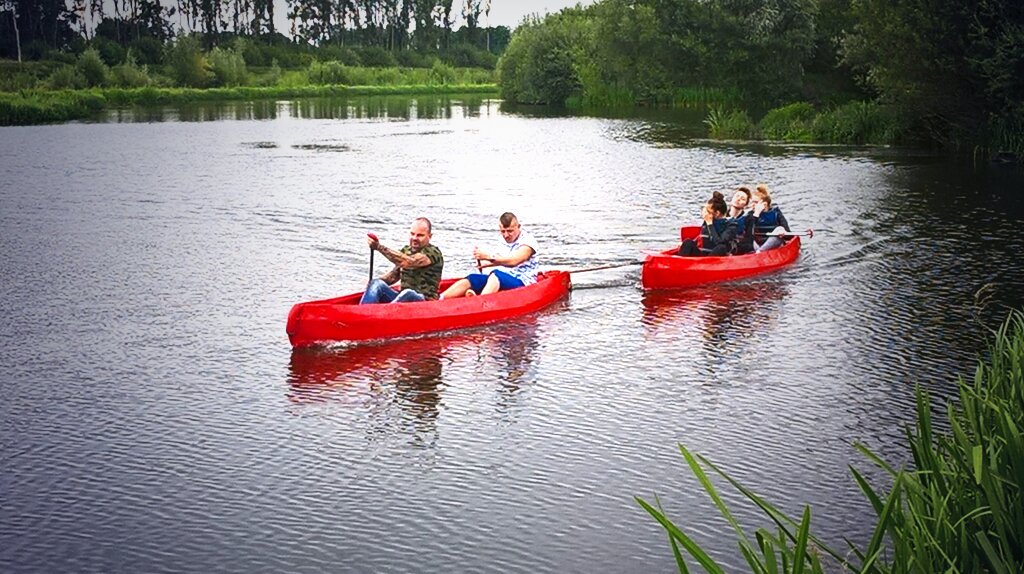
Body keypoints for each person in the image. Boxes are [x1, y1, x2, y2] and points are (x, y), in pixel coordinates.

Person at [440, 212, 538, 299]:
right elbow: (502, 258)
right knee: (473, 278)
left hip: (523, 281)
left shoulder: (528, 241)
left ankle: (479, 302)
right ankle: (440, 299)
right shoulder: (502, 239)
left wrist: (488, 256)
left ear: (519, 227)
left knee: (496, 274)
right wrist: (486, 263)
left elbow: (514, 261)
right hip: (505, 276)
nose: (506, 235)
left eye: (510, 231)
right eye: (503, 231)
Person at [359, 217, 444, 304]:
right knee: (377, 283)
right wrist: (371, 285)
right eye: (412, 234)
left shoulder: (433, 252)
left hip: (424, 302)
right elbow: (392, 277)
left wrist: (378, 247)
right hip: (402, 300)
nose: (414, 238)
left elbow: (408, 262)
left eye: (420, 235)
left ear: (429, 236)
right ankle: (364, 311)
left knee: (408, 293)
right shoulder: (406, 251)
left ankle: (385, 313)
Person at [677, 191, 737, 256]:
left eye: (708, 211)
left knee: (721, 247)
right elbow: (702, 237)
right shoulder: (707, 222)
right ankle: (679, 264)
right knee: (687, 242)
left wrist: (710, 225)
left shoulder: (731, 225)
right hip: (703, 256)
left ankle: (705, 264)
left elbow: (719, 242)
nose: (705, 214)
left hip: (716, 257)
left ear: (717, 213)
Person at [748, 184, 791, 252]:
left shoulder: (776, 213)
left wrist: (783, 233)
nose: (752, 205)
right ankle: (759, 252)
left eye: (755, 202)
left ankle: (760, 252)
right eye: (751, 202)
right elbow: (748, 232)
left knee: (779, 229)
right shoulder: (751, 215)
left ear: (764, 204)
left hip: (773, 244)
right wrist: (756, 214)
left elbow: (789, 235)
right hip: (757, 245)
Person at [729, 186, 755, 254]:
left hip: (737, 249)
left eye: (742, 199)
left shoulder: (748, 218)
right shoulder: (722, 214)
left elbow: (749, 241)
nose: (738, 199)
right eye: (737, 196)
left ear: (745, 205)